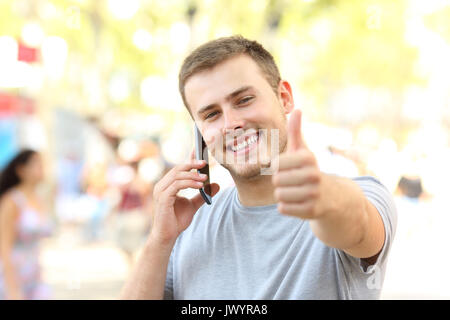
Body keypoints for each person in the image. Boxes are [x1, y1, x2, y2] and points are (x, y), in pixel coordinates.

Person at [120, 36, 397, 299]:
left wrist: (321, 197)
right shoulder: (189, 224)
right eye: (211, 114)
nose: (231, 124)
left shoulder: (359, 194)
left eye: (244, 100)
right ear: (200, 133)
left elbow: (357, 221)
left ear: (284, 97)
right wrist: (159, 239)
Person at [0, 149, 52, 300]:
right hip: (13, 274)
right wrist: (12, 289)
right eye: (37, 164)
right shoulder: (12, 201)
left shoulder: (39, 199)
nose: (42, 168)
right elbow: (4, 245)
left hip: (35, 275)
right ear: (21, 170)